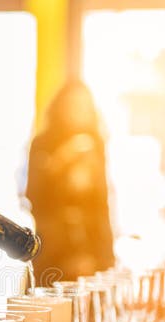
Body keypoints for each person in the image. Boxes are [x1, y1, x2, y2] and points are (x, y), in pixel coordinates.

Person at [26, 79, 114, 282]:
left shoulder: (95, 144)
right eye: (73, 105)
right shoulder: (42, 143)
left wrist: (104, 256)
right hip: (52, 253)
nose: (78, 111)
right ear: (60, 107)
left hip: (91, 254)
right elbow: (35, 197)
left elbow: (101, 205)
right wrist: (63, 161)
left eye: (83, 105)